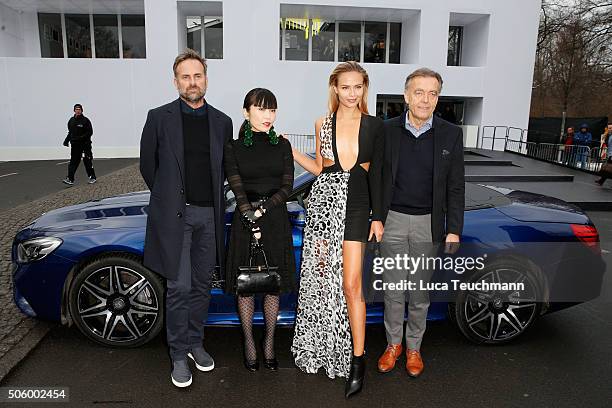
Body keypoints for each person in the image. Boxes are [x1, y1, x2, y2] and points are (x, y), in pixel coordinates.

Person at [139, 49, 233, 388]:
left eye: (197, 75)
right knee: (178, 287)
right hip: (175, 217)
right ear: (176, 81)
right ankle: (178, 353)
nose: (192, 82)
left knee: (202, 286)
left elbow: (225, 168)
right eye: (185, 76)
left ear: (206, 78)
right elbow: (148, 166)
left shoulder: (222, 122)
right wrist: (169, 199)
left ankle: (195, 342)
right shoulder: (158, 117)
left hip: (210, 215)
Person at [290, 61, 384, 398]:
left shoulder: (374, 126)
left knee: (351, 283)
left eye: (357, 86)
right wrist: (292, 150)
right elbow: (319, 168)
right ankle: (324, 348)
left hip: (357, 205)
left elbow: (379, 175)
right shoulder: (322, 124)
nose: (351, 93)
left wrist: (378, 216)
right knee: (321, 280)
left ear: (364, 89)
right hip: (323, 205)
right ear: (335, 88)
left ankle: (357, 360)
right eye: (345, 86)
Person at [377, 68, 465, 378]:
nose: (425, 99)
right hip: (393, 222)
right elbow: (375, 179)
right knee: (393, 289)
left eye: (432, 93)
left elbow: (456, 186)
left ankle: (414, 347)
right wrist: (376, 219)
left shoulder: (451, 134)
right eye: (419, 92)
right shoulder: (385, 131)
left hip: (429, 224)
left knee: (418, 292)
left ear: (438, 98)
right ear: (406, 96)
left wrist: (454, 228)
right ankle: (393, 345)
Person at [223, 88, 296, 372]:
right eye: (262, 109)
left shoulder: (283, 146)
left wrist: (262, 211)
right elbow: (235, 183)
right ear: (246, 112)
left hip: (275, 220)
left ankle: (268, 343)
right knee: (246, 286)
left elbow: (287, 186)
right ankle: (249, 344)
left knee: (271, 285)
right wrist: (249, 214)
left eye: (272, 110)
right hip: (245, 220)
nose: (268, 115)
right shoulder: (233, 147)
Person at [62, 103, 96, 185]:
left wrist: (80, 138)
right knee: (73, 162)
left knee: (87, 160)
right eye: (76, 109)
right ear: (74, 110)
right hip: (75, 145)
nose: (78, 111)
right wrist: (66, 140)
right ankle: (70, 179)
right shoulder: (71, 120)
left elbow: (90, 132)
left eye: (79, 109)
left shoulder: (85, 121)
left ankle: (92, 177)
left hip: (85, 145)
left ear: (82, 110)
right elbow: (70, 132)